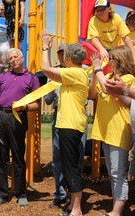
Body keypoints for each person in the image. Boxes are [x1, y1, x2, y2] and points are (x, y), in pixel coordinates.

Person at [41, 29, 89, 216]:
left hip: (70, 125)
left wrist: (45, 47)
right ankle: (72, 205)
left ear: (69, 60)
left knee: (71, 168)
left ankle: (76, 208)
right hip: (68, 124)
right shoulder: (77, 73)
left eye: (65, 56)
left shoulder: (75, 73)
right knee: (70, 166)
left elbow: (45, 68)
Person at [0, 48, 40, 207]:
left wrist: (23, 108)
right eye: (10, 58)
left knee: (18, 156)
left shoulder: (31, 78)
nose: (12, 60)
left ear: (22, 58)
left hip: (17, 118)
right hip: (0, 116)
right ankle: (2, 193)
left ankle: (21, 193)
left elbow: (37, 105)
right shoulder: (3, 76)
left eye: (15, 57)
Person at [90, 46, 135, 216]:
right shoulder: (106, 76)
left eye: (111, 58)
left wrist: (98, 68)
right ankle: (116, 207)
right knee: (112, 171)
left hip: (118, 129)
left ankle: (117, 211)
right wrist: (96, 74)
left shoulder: (128, 78)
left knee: (118, 172)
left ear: (120, 60)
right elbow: (93, 94)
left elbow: (109, 89)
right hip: (106, 130)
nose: (108, 61)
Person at [43, 44, 68, 209]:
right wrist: (51, 88)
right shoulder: (52, 73)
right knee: (57, 157)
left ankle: (74, 195)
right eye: (60, 54)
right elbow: (47, 100)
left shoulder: (81, 70)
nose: (62, 57)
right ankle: (60, 194)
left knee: (75, 157)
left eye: (65, 54)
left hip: (75, 115)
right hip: (58, 114)